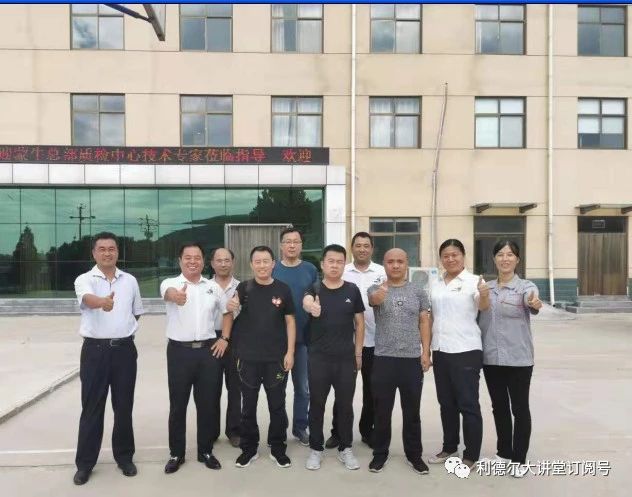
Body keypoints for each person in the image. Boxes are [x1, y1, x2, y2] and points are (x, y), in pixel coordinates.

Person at [72, 232, 145, 485]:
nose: (107, 253)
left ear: (117, 252)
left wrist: (121, 330)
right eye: (101, 249)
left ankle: (124, 458)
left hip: (124, 351)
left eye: (111, 248)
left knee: (124, 407)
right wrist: (102, 302)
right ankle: (85, 464)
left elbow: (136, 313)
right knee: (92, 408)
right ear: (94, 253)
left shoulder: (130, 281)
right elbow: (87, 299)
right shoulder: (84, 279)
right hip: (95, 351)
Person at [161, 242, 230, 474]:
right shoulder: (170, 283)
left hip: (207, 352)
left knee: (207, 404)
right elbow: (169, 295)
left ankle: (206, 451)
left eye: (197, 257)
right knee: (178, 405)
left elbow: (227, 312)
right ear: (180, 261)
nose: (193, 261)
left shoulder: (213, 287)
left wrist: (225, 338)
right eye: (188, 257)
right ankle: (176, 454)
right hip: (179, 352)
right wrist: (176, 297)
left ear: (203, 261)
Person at [227, 246, 296, 469]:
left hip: (276, 359)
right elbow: (231, 310)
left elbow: (290, 321)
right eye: (257, 261)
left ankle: (278, 448)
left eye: (266, 261)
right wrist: (231, 306)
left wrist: (290, 352)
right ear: (251, 264)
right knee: (248, 406)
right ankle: (249, 448)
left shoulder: (283, 289)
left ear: (273, 264)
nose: (262, 265)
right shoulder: (244, 288)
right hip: (248, 358)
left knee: (277, 406)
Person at [478, 241, 542, 478]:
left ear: (517, 259)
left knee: (520, 408)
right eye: (500, 254)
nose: (505, 259)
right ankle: (504, 452)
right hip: (491, 358)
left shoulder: (526, 287)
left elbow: (532, 301)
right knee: (499, 407)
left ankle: (519, 459)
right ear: (494, 259)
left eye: (510, 255)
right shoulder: (486, 288)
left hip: (519, 359)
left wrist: (534, 303)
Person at [366, 248, 431, 475]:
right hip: (384, 359)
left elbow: (424, 321)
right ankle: (379, 454)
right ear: (384, 264)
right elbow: (374, 300)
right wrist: (382, 292)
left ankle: (414, 455)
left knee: (412, 412)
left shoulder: (418, 291)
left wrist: (426, 352)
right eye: (391, 261)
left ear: (406, 264)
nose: (395, 265)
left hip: (411, 360)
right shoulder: (375, 288)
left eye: (400, 261)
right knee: (382, 411)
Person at [303, 244, 365, 471]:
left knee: (345, 405)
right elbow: (306, 302)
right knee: (317, 404)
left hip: (345, 359)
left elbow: (360, 323)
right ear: (323, 264)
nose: (335, 265)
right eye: (331, 261)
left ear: (344, 265)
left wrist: (358, 352)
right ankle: (316, 448)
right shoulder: (314, 288)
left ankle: (345, 447)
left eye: (340, 261)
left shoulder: (352, 290)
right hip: (319, 358)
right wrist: (311, 307)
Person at [428, 239, 489, 470]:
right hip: (441, 350)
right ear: (441, 259)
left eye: (455, 254)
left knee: (468, 404)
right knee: (446, 403)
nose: (450, 259)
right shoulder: (436, 284)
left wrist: (484, 294)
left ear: (463, 256)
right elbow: (431, 316)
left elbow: (483, 306)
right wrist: (427, 348)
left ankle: (471, 455)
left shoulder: (474, 282)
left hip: (466, 350)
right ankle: (449, 447)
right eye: (446, 255)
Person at [326, 232, 386, 449]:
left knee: (372, 391)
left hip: (375, 341)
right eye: (358, 245)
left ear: (372, 249)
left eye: (366, 245)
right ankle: (337, 432)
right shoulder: (343, 270)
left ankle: (367, 431)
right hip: (345, 341)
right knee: (342, 391)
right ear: (352, 248)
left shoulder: (381, 272)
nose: (362, 249)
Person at [271, 227, 318, 445]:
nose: (292, 245)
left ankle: (300, 427)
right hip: (277, 340)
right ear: (281, 245)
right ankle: (278, 429)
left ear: (301, 245)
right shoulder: (273, 268)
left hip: (304, 340)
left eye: (296, 241)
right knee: (277, 388)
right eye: (288, 241)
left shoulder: (310, 269)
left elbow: (317, 296)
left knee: (302, 388)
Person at [209, 247, 241, 448]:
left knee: (235, 388)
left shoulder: (242, 287)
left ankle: (234, 431)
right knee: (211, 388)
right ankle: (211, 431)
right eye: (219, 260)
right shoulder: (205, 286)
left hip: (236, 339)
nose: (223, 264)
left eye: (227, 260)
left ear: (233, 262)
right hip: (210, 339)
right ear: (212, 263)